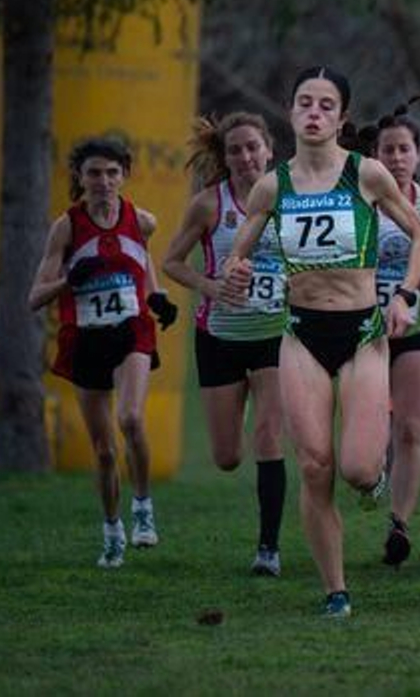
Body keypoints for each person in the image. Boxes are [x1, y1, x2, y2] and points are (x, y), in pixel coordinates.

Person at [222, 66, 420, 617]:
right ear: (290, 113)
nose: (313, 113)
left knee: (359, 469)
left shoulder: (366, 175)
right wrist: (236, 272)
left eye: (325, 105)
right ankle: (336, 590)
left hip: (363, 331)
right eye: (304, 103)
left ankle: (375, 476)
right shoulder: (273, 186)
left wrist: (405, 295)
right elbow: (237, 255)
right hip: (300, 335)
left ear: (341, 118)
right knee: (314, 466)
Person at [30, 137, 178, 568]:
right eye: (94, 173)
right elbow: (34, 297)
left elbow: (142, 258)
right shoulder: (67, 227)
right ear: (79, 177)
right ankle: (112, 530)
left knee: (131, 418)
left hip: (131, 331)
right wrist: (70, 279)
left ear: (124, 175)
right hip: (85, 339)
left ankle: (143, 508)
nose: (104, 181)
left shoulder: (141, 219)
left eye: (112, 173)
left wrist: (157, 296)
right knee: (104, 450)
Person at [160, 113, 287, 577]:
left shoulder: (292, 197)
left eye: (253, 147)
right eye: (235, 149)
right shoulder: (209, 205)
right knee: (228, 457)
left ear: (269, 149)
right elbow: (171, 261)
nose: (245, 156)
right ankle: (243, 404)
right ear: (225, 156)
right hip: (220, 337)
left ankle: (268, 550)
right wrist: (210, 286)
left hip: (275, 335)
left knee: (269, 438)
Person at [359, 103, 420, 569]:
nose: (395, 157)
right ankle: (370, 475)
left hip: (417, 329)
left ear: (417, 154)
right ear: (374, 156)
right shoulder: (358, 203)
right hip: (365, 332)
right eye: (387, 150)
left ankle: (400, 524)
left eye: (403, 149)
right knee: (370, 445)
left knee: (411, 429)